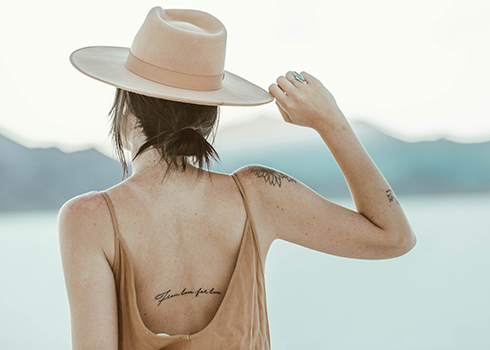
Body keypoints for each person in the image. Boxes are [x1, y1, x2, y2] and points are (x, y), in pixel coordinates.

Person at [59, 6, 416, 350]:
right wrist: (330, 121)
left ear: (123, 109)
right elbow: (394, 237)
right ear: (210, 118)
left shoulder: (89, 219)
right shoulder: (258, 194)